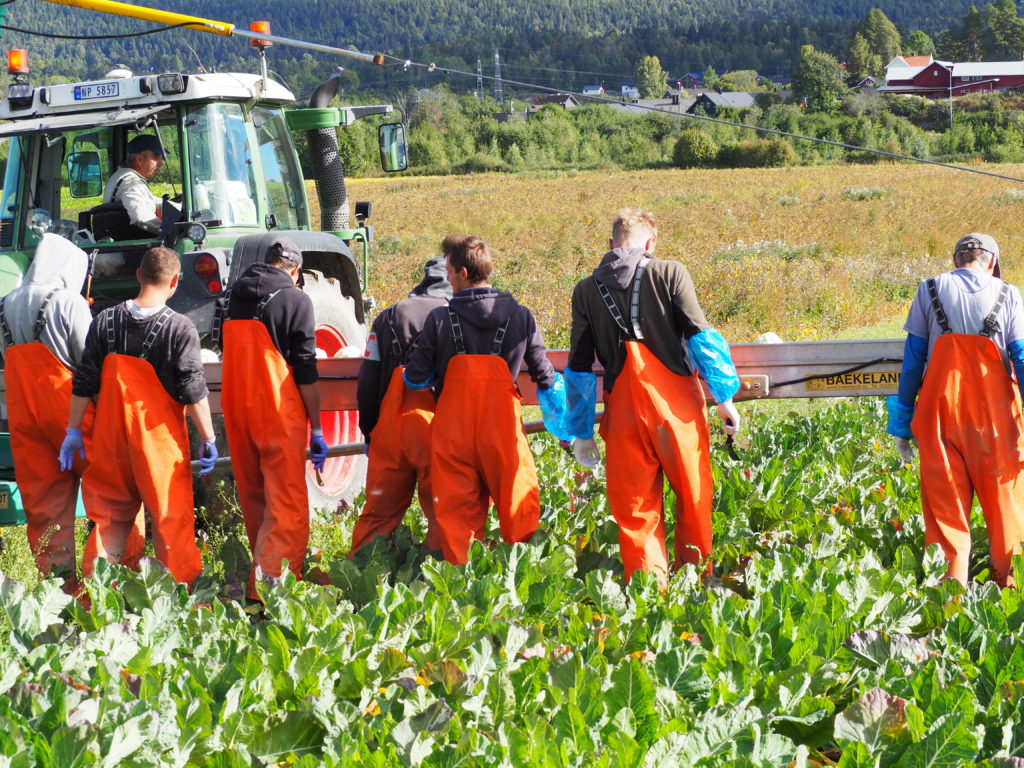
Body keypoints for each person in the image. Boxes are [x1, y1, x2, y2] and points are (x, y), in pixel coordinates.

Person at [565, 209, 741, 585]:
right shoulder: (669, 272)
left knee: (636, 511)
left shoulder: (585, 290)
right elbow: (700, 338)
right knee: (693, 498)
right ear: (650, 244)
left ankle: (648, 596)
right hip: (676, 409)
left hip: (623, 411)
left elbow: (579, 366)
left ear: (611, 245)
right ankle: (695, 582)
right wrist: (724, 398)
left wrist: (581, 432)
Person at [403, 235, 568, 564]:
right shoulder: (519, 316)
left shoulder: (439, 319)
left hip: (453, 432)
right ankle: (520, 577)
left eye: (449, 272)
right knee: (518, 503)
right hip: (502, 432)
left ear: (463, 272)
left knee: (457, 517)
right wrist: (564, 426)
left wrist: (438, 373)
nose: (446, 278)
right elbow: (546, 378)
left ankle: (465, 590)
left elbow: (414, 378)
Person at [61, 246, 216, 586]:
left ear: (138, 276)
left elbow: (84, 382)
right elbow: (193, 389)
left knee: (109, 521)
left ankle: (98, 599)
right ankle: (180, 597)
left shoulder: (104, 321)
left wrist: (73, 431)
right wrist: (209, 438)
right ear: (175, 282)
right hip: (157, 444)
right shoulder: (179, 327)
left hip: (111, 439)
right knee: (169, 520)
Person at [0, 234, 142, 591]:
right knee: (116, 491)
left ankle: (59, 589)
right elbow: (89, 360)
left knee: (44, 503)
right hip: (72, 414)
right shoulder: (67, 301)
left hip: (25, 415)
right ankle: (105, 586)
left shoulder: (5, 302)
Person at [886, 233, 1024, 587]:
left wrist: (902, 419)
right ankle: (1008, 590)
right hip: (995, 420)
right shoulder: (1008, 293)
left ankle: (949, 597)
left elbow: (914, 358)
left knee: (945, 510)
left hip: (940, 415)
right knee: (1005, 506)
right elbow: (1021, 359)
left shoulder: (928, 288)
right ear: (991, 260)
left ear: (955, 258)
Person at [220, 240, 327, 600]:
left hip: (237, 410)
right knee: (286, 504)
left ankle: (259, 573)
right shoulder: (296, 300)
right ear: (294, 270)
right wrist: (319, 426)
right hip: (277, 412)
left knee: (255, 499)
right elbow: (306, 370)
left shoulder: (233, 297)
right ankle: (269, 593)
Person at [350, 254, 453, 556]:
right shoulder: (455, 316)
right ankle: (442, 579)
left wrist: (369, 432)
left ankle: (360, 579)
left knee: (378, 515)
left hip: (391, 432)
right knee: (445, 514)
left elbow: (367, 381)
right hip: (439, 430)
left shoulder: (387, 317)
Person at [102, 134, 171, 235]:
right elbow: (141, 217)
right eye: (156, 157)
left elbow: (151, 200)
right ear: (139, 159)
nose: (161, 163)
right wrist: (172, 230)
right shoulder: (131, 183)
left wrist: (182, 208)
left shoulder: (123, 177)